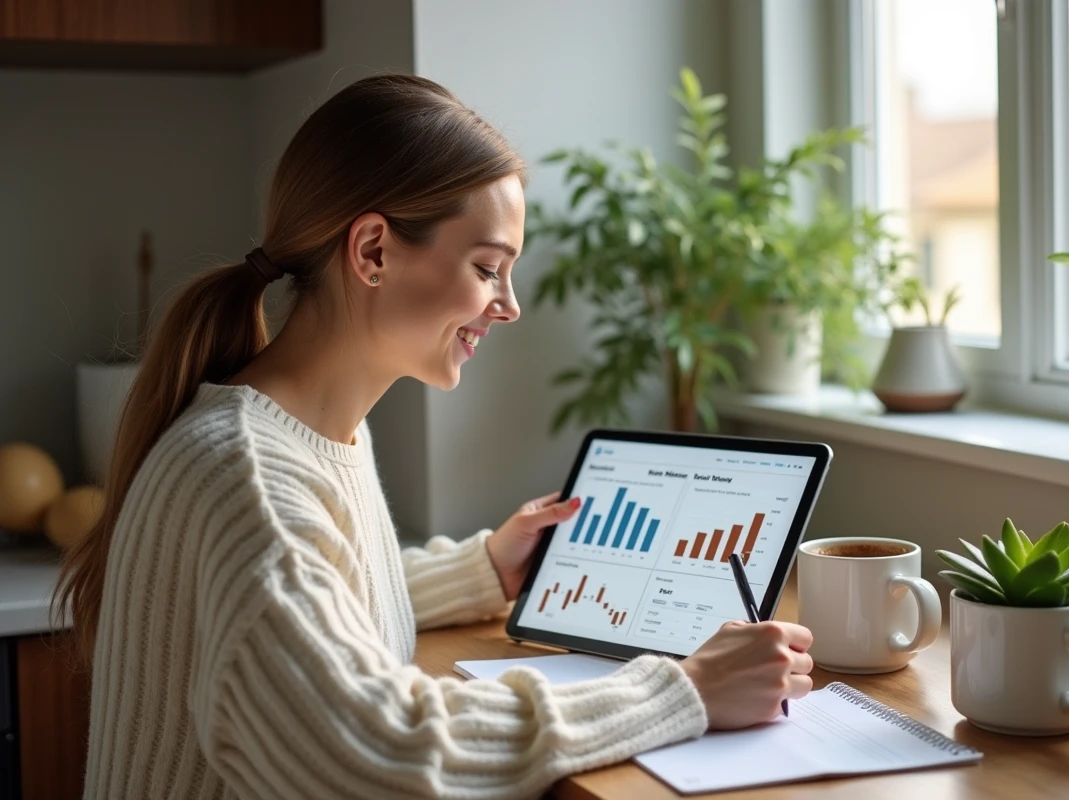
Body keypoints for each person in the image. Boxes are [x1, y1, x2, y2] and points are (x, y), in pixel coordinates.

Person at [56, 74, 815, 800]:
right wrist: (681, 691)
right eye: (489, 268)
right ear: (373, 252)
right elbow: (381, 754)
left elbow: (305, 603)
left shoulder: (308, 433)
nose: (508, 305)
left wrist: (482, 569)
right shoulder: (247, 475)